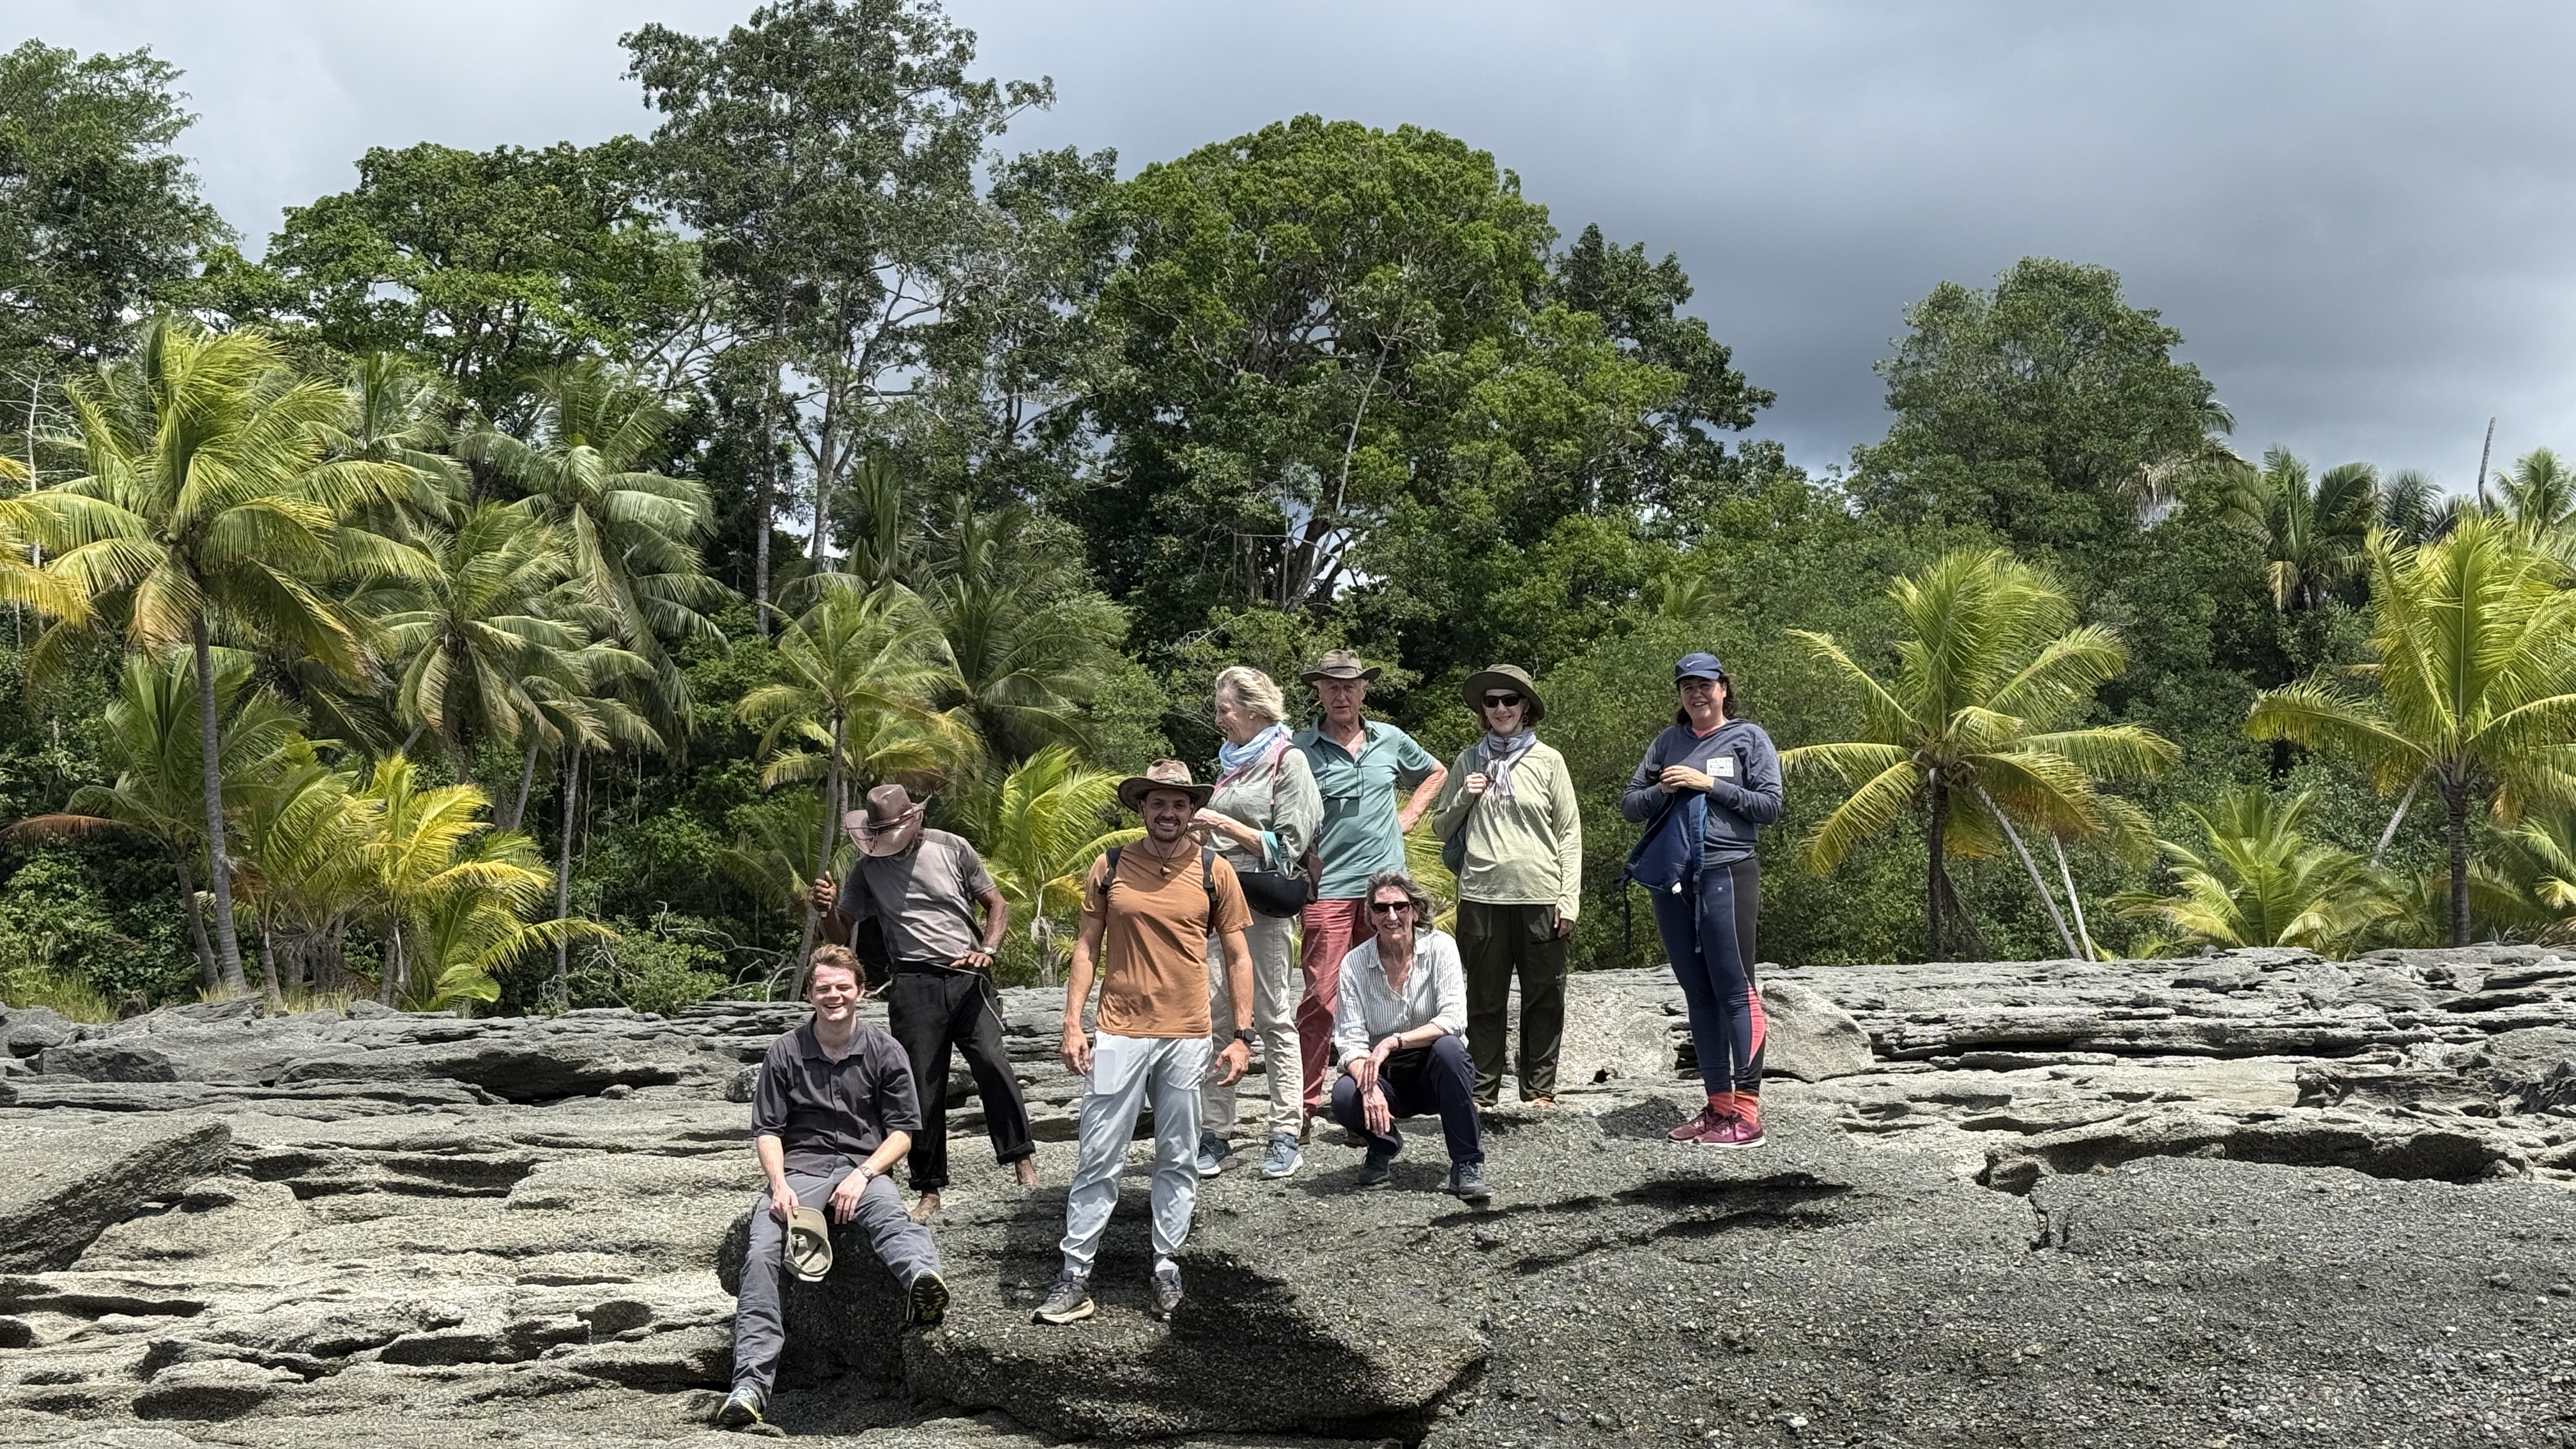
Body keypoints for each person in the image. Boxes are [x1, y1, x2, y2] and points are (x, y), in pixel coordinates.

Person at [1035, 760, 1256, 1326]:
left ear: (1192, 811)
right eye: (1159, 802)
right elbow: (1086, 948)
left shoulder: (1214, 871)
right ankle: (1075, 1273)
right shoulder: (1110, 866)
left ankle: (1165, 1263)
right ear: (1142, 808)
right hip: (1116, 1030)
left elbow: (1237, 955)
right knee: (1098, 1154)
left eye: (1180, 803)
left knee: (1178, 1154)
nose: (1169, 812)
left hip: (1187, 1033)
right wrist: (1071, 1023)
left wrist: (1242, 1035)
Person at [719, 945, 946, 1430]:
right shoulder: (785, 1050)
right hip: (799, 1171)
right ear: (810, 994)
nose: (834, 995)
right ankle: (750, 1387)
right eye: (823, 988)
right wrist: (777, 1185)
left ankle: (923, 1282)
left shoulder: (885, 1050)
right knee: (762, 1252)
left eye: (843, 986)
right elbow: (767, 1131)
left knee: (890, 1218)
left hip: (864, 1169)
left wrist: (863, 1175)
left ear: (861, 992)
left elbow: (903, 1132)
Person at [812, 784, 1038, 1224]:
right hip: (913, 981)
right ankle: (929, 1189)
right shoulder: (867, 869)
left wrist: (988, 949)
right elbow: (841, 934)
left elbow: (996, 904)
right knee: (920, 1086)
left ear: (915, 821)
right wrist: (824, 909)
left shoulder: (952, 848)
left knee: (993, 1064)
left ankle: (1021, 1162)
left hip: (968, 975)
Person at [1619, 653, 1782, 1149]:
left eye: (1706, 685)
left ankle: (1748, 1113)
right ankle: (1717, 1107)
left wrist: (1709, 784)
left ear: (1724, 689)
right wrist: (1662, 790)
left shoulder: (1749, 738)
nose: (1697, 694)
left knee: (1736, 989)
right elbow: (1630, 804)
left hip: (1727, 871)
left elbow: (1771, 806)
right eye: (1687, 686)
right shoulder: (1667, 742)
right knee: (1698, 992)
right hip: (1674, 879)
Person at [1294, 650, 1446, 1137]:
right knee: (1321, 996)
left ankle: (1389, 1089)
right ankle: (1306, 1103)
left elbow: (1436, 772)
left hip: (1386, 892)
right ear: (1318, 691)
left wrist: (1412, 815)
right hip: (1330, 890)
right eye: (1332, 687)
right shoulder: (1301, 749)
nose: (1342, 695)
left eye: (1351, 686)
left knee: (1396, 988)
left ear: (1364, 691)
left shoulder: (1389, 738)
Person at [1192, 666, 1322, 1181]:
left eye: (1224, 708)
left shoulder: (1287, 762)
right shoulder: (1230, 764)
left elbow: (1288, 847)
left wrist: (1222, 823)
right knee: (1215, 1015)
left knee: (1270, 1016)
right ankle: (1215, 1132)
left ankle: (1285, 1131)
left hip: (1261, 903)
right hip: (1215, 898)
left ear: (1253, 709)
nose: (1219, 718)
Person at [1431, 664, 1582, 1111]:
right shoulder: (1468, 760)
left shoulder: (1549, 761)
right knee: (1484, 998)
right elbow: (1441, 827)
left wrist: (1569, 897)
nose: (1500, 709)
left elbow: (1569, 832)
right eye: (1491, 701)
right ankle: (1481, 1092)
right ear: (1483, 709)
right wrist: (1465, 796)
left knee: (1545, 996)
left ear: (1526, 708)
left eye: (1510, 701)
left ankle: (1539, 1091)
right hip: (1481, 895)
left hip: (1540, 894)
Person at [1330, 870, 1488, 1201]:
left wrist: (1394, 1040)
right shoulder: (1354, 964)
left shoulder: (1442, 948)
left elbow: (1453, 1019)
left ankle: (1467, 1163)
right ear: (1370, 915)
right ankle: (1383, 1144)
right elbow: (1350, 1041)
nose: (1392, 916)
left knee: (1450, 1050)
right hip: (1386, 1076)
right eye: (1381, 908)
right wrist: (1369, 1087)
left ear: (1415, 910)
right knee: (1345, 1093)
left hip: (1436, 1070)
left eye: (1400, 907)